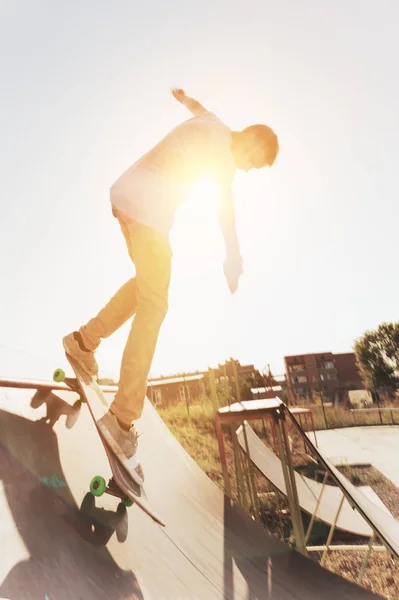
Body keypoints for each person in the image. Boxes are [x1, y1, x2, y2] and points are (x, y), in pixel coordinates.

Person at [63, 88, 279, 484]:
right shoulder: (222, 156)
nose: (248, 169)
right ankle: (122, 419)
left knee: (148, 288)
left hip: (125, 198)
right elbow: (223, 204)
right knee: (156, 304)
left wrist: (184, 97)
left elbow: (198, 107)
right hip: (147, 212)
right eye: (255, 161)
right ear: (249, 139)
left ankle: (84, 341)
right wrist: (232, 255)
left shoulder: (213, 121)